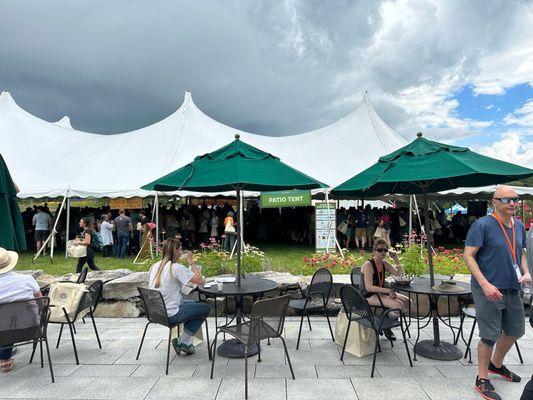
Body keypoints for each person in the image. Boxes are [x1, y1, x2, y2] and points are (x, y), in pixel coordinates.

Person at [463, 186, 530, 400]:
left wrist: (526, 272)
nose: (513, 203)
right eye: (507, 199)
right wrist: (484, 284)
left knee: (515, 330)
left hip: (513, 287)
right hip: (488, 289)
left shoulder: (519, 226)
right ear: (495, 202)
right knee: (489, 335)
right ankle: (482, 379)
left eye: (516, 199)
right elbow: (468, 256)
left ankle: (496, 365)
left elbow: (521, 252)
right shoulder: (482, 225)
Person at [148, 238, 209, 354]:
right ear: (175, 251)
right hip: (171, 314)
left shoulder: (154, 266)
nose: (181, 253)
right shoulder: (176, 268)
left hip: (157, 313)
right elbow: (200, 280)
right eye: (180, 250)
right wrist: (191, 261)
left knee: (195, 305)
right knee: (205, 309)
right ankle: (182, 341)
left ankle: (186, 342)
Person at [0, 247, 43, 372]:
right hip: (30, 329)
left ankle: (4, 359)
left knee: (5, 321)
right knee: (12, 319)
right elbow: (41, 305)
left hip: (2, 331)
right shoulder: (27, 280)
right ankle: (5, 357)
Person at [360, 238, 410, 341]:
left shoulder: (384, 263)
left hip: (379, 292)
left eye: (385, 250)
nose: (383, 252)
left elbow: (400, 275)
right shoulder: (368, 265)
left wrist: (396, 258)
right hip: (367, 295)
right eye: (380, 250)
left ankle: (385, 321)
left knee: (407, 302)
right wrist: (388, 291)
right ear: (374, 251)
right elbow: (369, 287)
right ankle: (386, 326)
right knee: (398, 305)